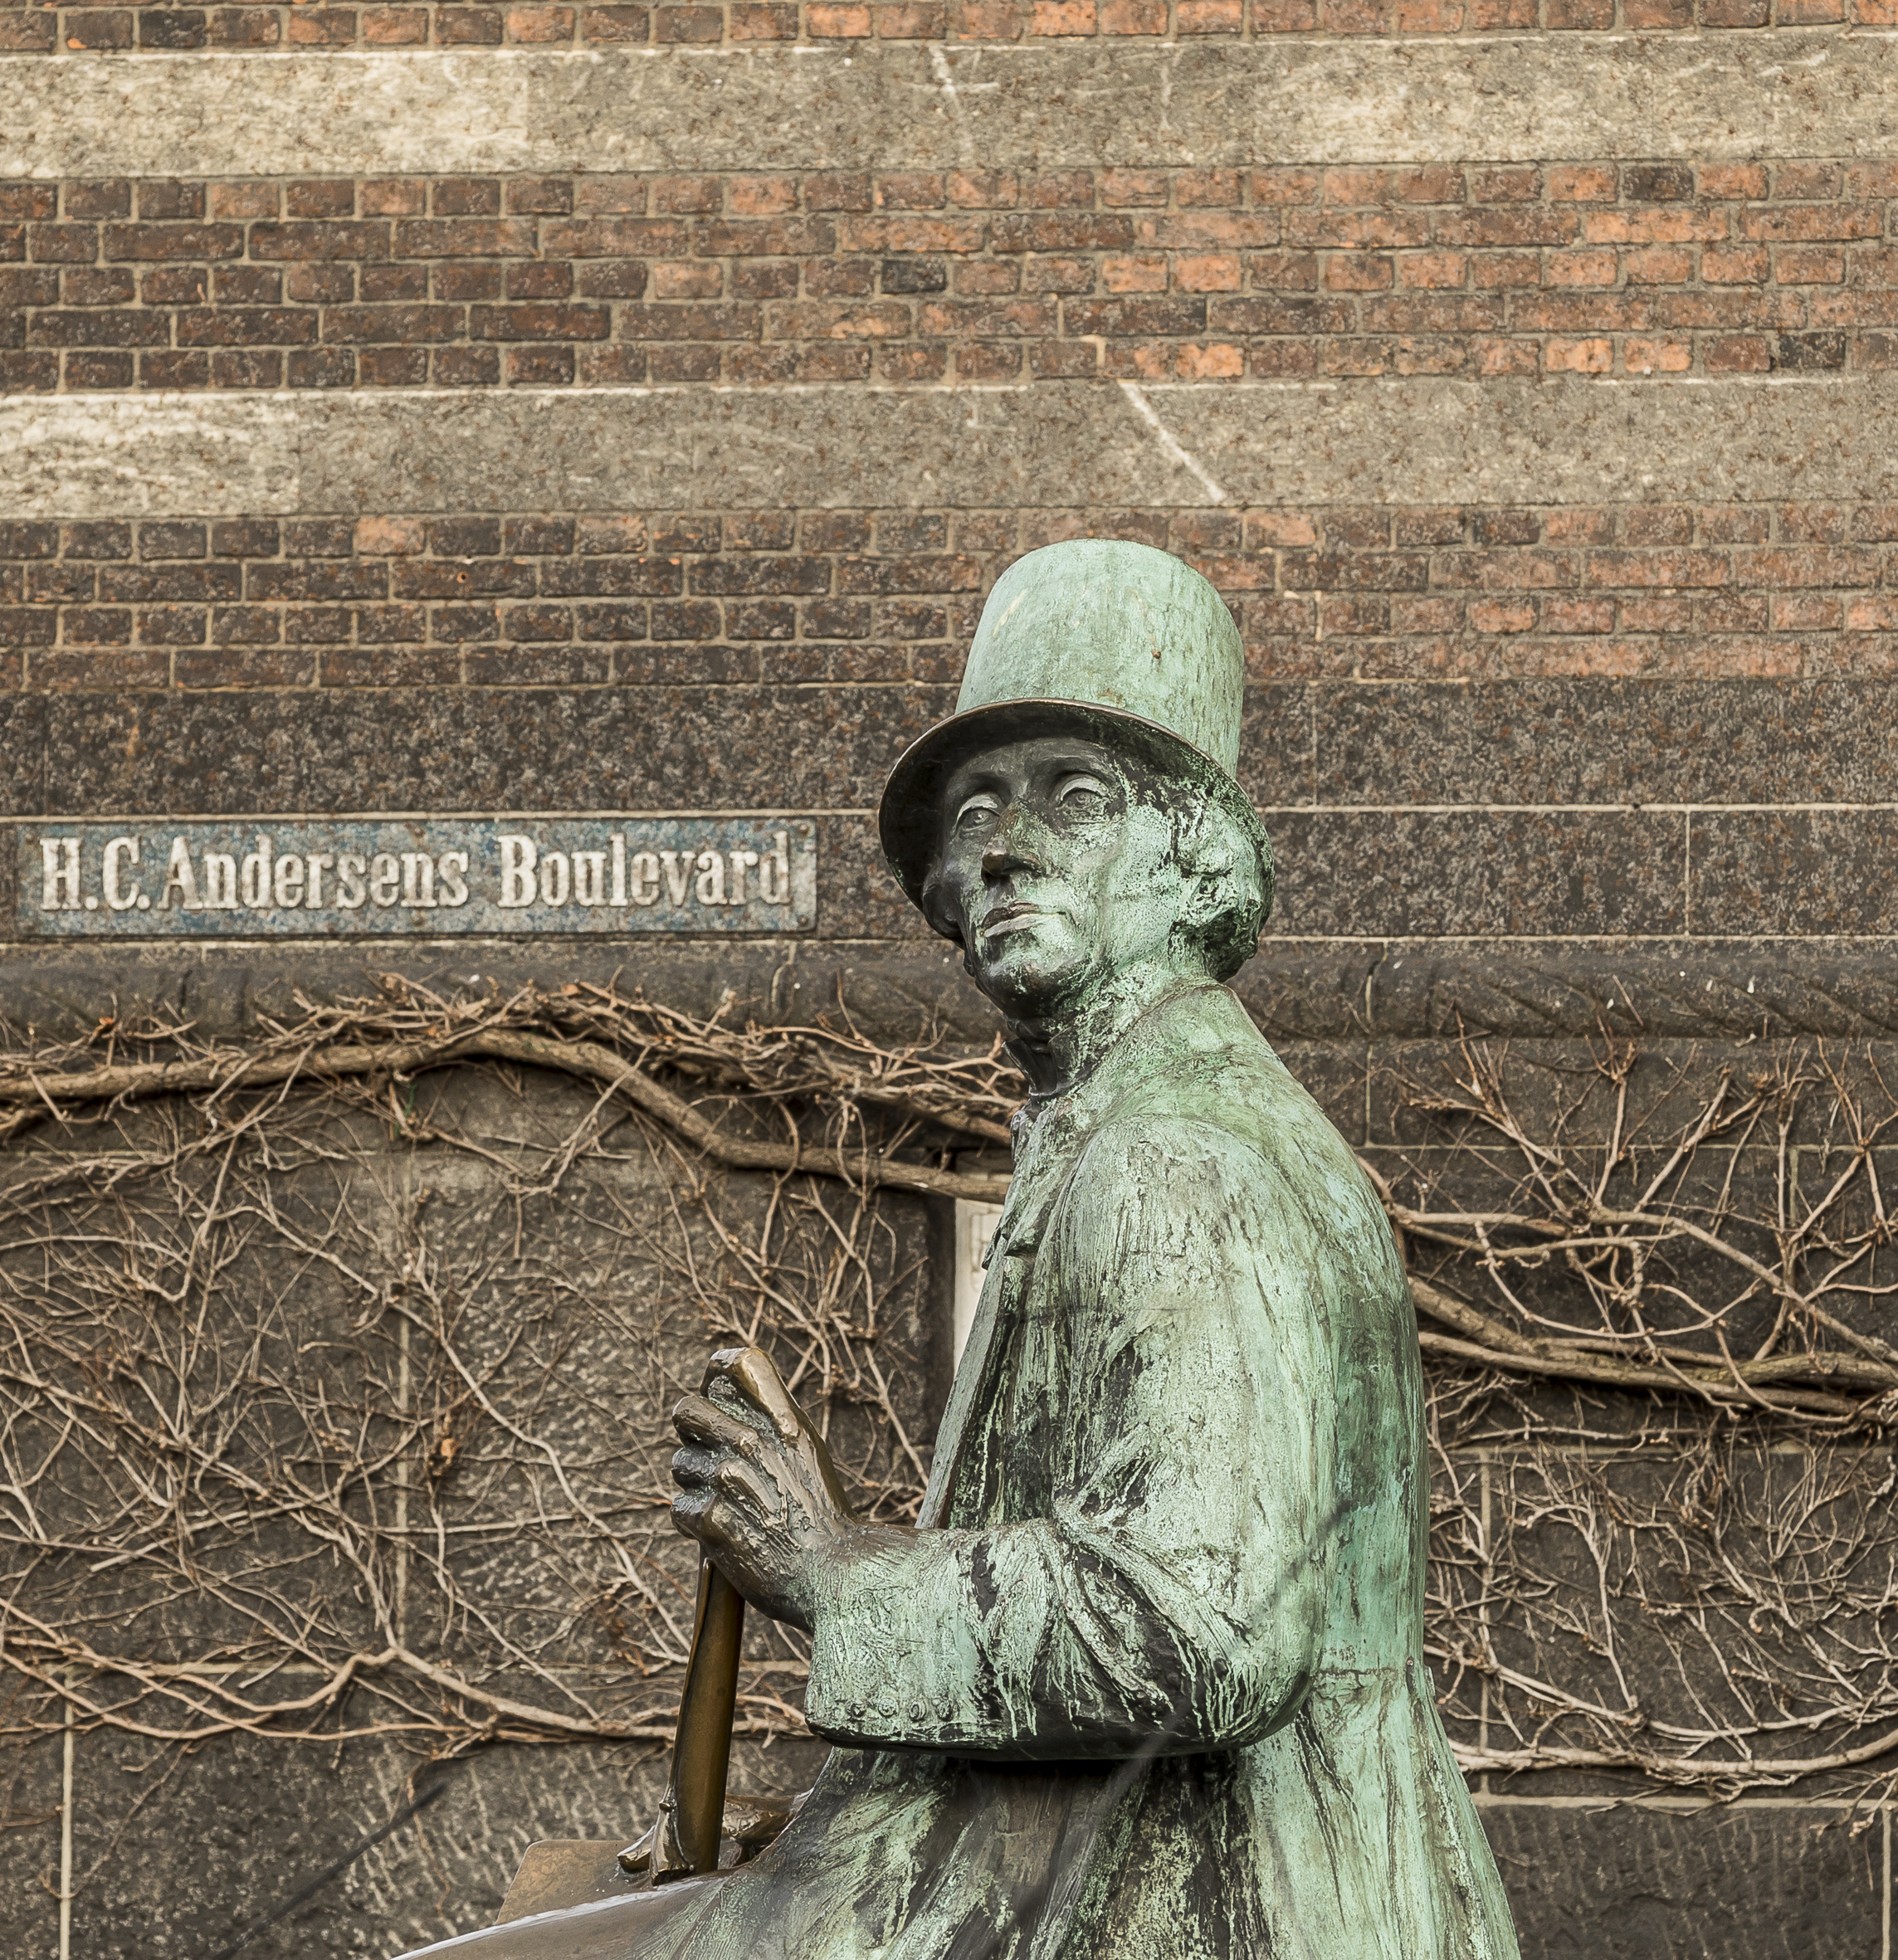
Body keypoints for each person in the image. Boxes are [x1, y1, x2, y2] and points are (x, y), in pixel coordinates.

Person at [642, 539, 1519, 1959]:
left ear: (1194, 860)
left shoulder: (1174, 1157)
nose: (1003, 846)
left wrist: (832, 1569)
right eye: (976, 810)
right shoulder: (1156, 1121)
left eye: (1078, 796)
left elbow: (1204, 1627)